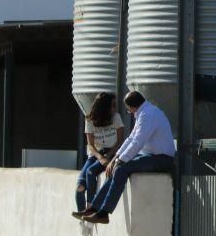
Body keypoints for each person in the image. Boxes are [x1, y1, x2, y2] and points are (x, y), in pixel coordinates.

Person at [75, 91, 176, 225]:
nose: (131, 113)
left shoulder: (148, 115)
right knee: (116, 167)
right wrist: (116, 157)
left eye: (129, 110)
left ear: (133, 107)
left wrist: (120, 161)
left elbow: (137, 142)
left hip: (162, 159)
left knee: (121, 169)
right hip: (150, 155)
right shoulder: (144, 112)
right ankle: (95, 208)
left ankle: (104, 213)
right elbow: (130, 138)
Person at [72, 92, 124, 216]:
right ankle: (82, 218)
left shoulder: (116, 118)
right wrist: (100, 157)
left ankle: (90, 208)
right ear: (105, 107)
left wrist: (108, 155)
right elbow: (90, 144)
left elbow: (120, 140)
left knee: (91, 172)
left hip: (111, 152)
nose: (115, 108)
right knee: (80, 188)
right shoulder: (89, 119)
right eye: (112, 105)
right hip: (96, 154)